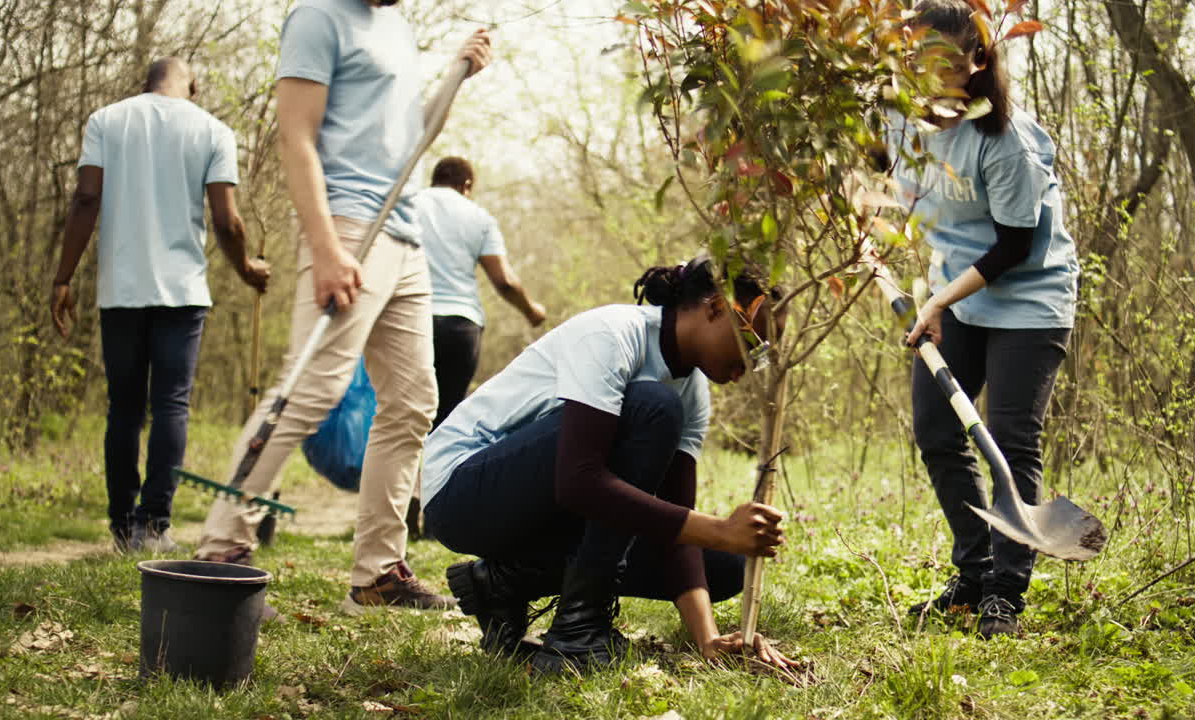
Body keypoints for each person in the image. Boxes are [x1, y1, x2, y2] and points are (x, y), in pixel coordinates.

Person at [192, 0, 492, 616]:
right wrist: (326, 246)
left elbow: (414, 138)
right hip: (350, 224)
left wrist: (456, 74)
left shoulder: (399, 30)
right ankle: (220, 552)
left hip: (407, 237)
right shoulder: (318, 19)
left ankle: (377, 575)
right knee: (311, 388)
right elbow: (295, 135)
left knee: (413, 403)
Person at [422, 255, 798, 674]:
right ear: (715, 307)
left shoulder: (692, 391)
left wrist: (708, 639)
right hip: (463, 492)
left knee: (723, 568)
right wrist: (721, 529)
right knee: (653, 406)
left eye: (763, 355)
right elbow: (578, 483)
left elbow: (678, 531)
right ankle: (577, 633)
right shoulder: (612, 335)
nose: (751, 365)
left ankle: (501, 583)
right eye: (752, 344)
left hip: (541, 512)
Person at [891, 0, 1080, 638]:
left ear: (978, 61)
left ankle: (1006, 590)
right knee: (938, 432)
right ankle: (974, 573)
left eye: (946, 62)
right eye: (918, 61)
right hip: (955, 293)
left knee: (1009, 439)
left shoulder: (1004, 140)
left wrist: (939, 300)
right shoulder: (901, 127)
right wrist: (872, 230)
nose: (929, 75)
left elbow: (1014, 245)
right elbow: (910, 208)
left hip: (1030, 297)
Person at [50, 57, 270, 554]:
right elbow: (227, 221)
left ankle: (124, 528)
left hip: (120, 290)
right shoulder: (213, 130)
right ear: (192, 85)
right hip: (182, 290)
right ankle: (154, 525)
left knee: (123, 408)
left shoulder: (107, 120)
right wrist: (247, 270)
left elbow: (86, 200)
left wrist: (63, 278)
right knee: (171, 404)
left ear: (144, 82)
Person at [404, 156, 546, 537]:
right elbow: (503, 281)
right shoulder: (478, 217)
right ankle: (435, 508)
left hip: (410, 316)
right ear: (467, 183)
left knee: (401, 414)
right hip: (460, 325)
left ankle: (403, 502)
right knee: (447, 419)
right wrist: (531, 310)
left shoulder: (409, 204)